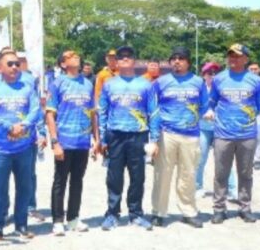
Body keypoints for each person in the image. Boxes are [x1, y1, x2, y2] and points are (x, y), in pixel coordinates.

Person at [203, 44, 260, 224]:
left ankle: (244, 207)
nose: (233, 59)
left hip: (247, 135)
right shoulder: (219, 79)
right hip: (222, 134)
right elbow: (211, 102)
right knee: (220, 174)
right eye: (231, 55)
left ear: (246, 59)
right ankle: (219, 209)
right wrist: (209, 111)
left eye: (237, 56)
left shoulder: (256, 81)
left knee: (245, 174)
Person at [0, 48, 42, 241]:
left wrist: (23, 126)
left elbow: (35, 110)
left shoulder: (27, 87)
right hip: (0, 149)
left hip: (23, 148)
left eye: (17, 64)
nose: (15, 67)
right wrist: (9, 127)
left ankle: (21, 224)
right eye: (10, 64)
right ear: (0, 67)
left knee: (24, 188)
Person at [96, 45, 157, 231]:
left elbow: (154, 112)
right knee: (114, 177)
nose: (124, 59)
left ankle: (136, 214)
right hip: (115, 134)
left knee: (137, 177)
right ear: (116, 61)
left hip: (138, 135)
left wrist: (154, 139)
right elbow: (102, 111)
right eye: (121, 57)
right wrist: (102, 138)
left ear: (134, 61)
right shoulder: (109, 84)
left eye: (128, 56)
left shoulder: (145, 85)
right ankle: (112, 214)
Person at [149, 47, 207, 228]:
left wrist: (201, 116)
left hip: (191, 135)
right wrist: (154, 137)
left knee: (188, 175)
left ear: (188, 62)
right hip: (167, 134)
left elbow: (204, 106)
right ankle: (158, 212)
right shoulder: (160, 82)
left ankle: (188, 212)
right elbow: (153, 110)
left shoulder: (198, 82)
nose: (177, 61)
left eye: (181, 58)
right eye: (173, 58)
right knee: (162, 175)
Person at [46, 50, 96, 235]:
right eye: (70, 56)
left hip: (82, 141)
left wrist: (96, 139)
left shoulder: (87, 83)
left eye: (77, 55)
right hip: (64, 141)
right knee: (60, 180)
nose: (76, 57)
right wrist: (55, 142)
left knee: (77, 181)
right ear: (63, 64)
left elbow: (92, 113)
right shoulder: (57, 83)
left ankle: (73, 218)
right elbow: (50, 114)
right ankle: (58, 220)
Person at [196, 62, 237, 199]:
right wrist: (202, 114)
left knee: (224, 160)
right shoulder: (199, 90)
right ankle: (197, 187)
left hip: (221, 129)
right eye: (209, 73)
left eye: (215, 73)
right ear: (204, 75)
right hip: (203, 129)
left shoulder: (224, 89)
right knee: (200, 159)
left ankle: (231, 189)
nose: (212, 76)